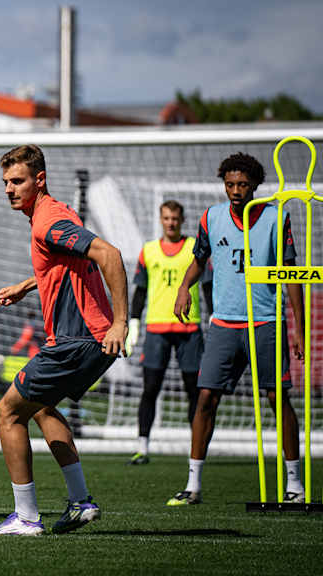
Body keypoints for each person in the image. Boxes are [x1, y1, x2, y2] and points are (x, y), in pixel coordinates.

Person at [0, 145, 128, 536]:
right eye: (6, 183)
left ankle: (26, 517)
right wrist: (30, 285)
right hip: (88, 340)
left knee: (7, 413)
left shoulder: (46, 220)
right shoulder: (57, 212)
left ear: (39, 180)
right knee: (43, 408)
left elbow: (109, 255)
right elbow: (67, 264)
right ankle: (81, 502)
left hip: (76, 340)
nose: (9, 189)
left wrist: (120, 322)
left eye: (17, 181)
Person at [168, 152, 305, 506]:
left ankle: (294, 484)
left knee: (278, 399)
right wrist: (185, 288)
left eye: (243, 185)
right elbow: (199, 259)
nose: (235, 191)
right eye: (230, 184)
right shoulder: (212, 217)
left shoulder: (277, 218)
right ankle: (193, 484)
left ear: (255, 186)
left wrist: (299, 329)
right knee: (206, 398)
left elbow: (291, 275)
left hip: (265, 321)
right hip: (223, 323)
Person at [124, 200, 211, 465]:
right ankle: (143, 448)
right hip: (157, 329)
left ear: (182, 220)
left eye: (175, 218)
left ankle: (195, 450)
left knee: (194, 391)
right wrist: (134, 322)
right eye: (166, 218)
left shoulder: (195, 249)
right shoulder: (148, 251)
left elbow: (207, 286)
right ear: (160, 220)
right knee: (150, 388)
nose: (171, 223)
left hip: (189, 329)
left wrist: (215, 315)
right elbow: (139, 290)